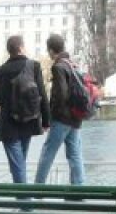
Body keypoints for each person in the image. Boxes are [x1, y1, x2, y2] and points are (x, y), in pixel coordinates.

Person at [0, 35, 49, 184]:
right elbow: (42, 95)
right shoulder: (34, 66)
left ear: (9, 51)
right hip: (29, 121)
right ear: (21, 48)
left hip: (8, 126)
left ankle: (25, 205)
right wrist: (46, 121)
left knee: (18, 166)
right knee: (20, 165)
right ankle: (25, 203)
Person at [35, 34, 86, 185]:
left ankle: (38, 188)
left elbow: (61, 95)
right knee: (74, 154)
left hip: (62, 118)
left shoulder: (58, 67)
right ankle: (78, 189)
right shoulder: (72, 64)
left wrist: (51, 116)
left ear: (51, 50)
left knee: (47, 153)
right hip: (76, 118)